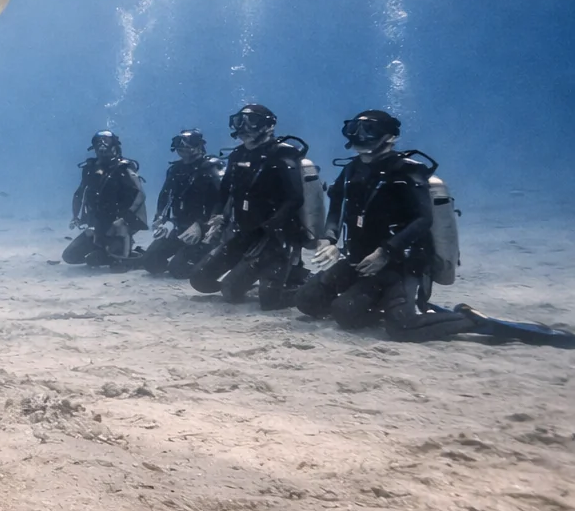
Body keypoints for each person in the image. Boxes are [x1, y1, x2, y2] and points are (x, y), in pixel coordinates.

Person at [295, 110, 476, 342]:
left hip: (399, 266)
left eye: (369, 129)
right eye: (354, 129)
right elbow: (336, 209)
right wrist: (329, 240)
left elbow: (423, 220)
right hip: (359, 261)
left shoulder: (406, 171)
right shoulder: (351, 170)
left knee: (399, 327)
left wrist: (385, 251)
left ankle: (469, 318)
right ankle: (377, 303)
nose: (360, 135)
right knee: (307, 300)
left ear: (389, 137)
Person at [188, 104, 307, 308]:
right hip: (245, 234)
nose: (244, 127)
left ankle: (298, 280)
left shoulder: (282, 154)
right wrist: (217, 216)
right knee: (200, 279)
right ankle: (253, 273)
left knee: (251, 297)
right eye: (239, 121)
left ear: (269, 126)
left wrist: (269, 228)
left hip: (275, 238)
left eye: (252, 121)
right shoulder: (237, 155)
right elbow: (224, 193)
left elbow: (295, 198)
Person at [142, 129, 224, 278]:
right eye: (179, 143)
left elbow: (223, 198)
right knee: (150, 262)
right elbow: (165, 196)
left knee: (178, 270)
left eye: (189, 143)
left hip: (204, 229)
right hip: (180, 226)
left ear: (199, 145)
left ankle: (211, 252)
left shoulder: (211, 168)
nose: (183, 147)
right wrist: (160, 218)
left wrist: (204, 226)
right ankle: (186, 254)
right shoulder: (175, 170)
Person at [63, 130, 147, 271]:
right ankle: (105, 252)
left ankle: (132, 255)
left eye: (106, 142)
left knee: (114, 265)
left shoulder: (124, 168)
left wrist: (125, 219)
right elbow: (79, 193)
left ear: (115, 146)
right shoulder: (90, 168)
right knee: (70, 256)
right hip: (97, 224)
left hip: (118, 224)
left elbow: (140, 194)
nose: (102, 147)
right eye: (98, 143)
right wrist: (75, 216)